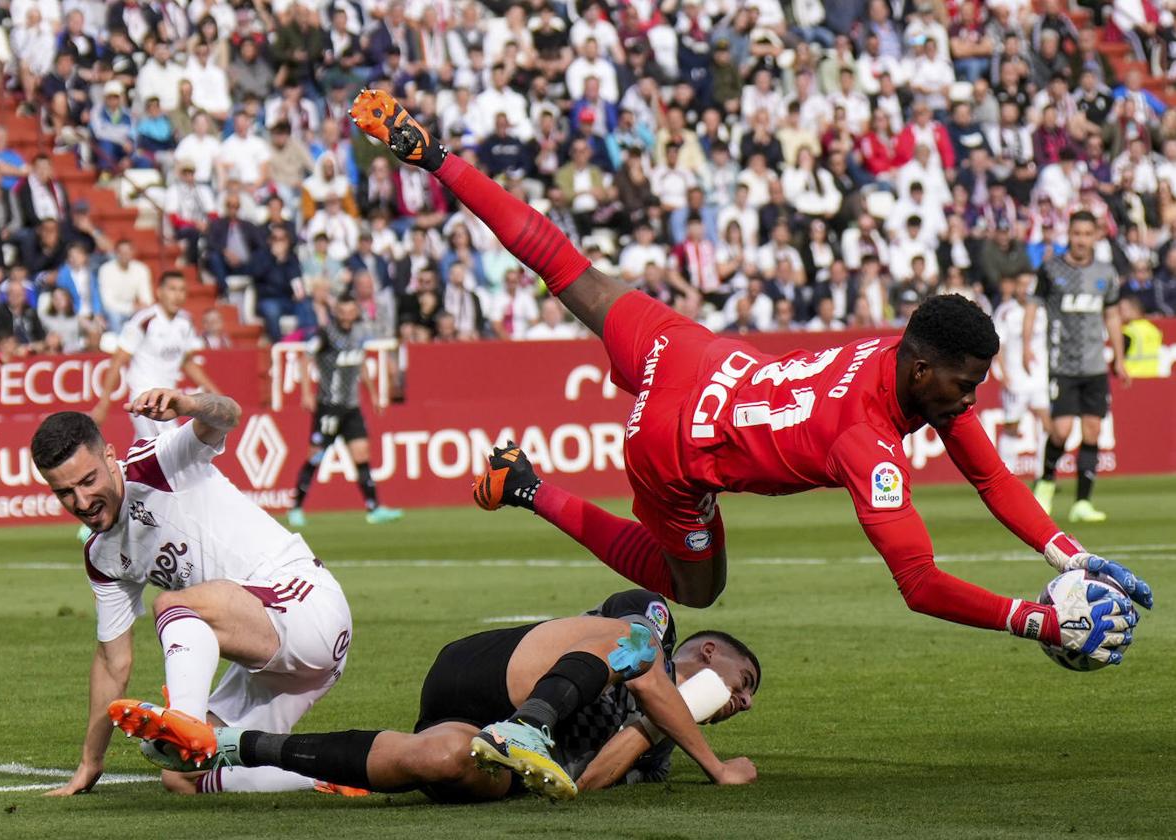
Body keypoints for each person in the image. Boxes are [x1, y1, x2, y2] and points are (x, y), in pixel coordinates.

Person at [353, 90, 1151, 664]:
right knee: (694, 589)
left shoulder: (902, 362)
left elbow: (988, 471)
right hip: (674, 441)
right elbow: (918, 582)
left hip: (690, 352)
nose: (973, 396)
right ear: (922, 369)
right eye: (966, 382)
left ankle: (437, 155)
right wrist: (1037, 622)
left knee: (567, 266)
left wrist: (1070, 559)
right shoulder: (864, 443)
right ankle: (526, 485)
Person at [108, 589, 757, 802]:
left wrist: (657, 727)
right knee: (634, 646)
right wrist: (720, 767)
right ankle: (530, 724)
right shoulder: (660, 628)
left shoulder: (659, 747)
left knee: (439, 762)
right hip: (498, 673)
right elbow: (633, 638)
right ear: (708, 654)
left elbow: (584, 787)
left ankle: (223, 747)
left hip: (479, 739)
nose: (744, 700)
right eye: (743, 682)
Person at [30, 397, 354, 796]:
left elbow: (229, 415)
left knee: (171, 604)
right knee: (183, 775)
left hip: (308, 607)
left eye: (88, 481)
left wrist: (187, 403)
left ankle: (184, 721)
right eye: (65, 492)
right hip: (278, 668)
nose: (81, 502)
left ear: (111, 457)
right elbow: (113, 663)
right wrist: (90, 761)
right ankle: (338, 775)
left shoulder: (156, 464)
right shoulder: (102, 555)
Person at [1024, 211, 1129, 523]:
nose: (1081, 239)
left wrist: (1119, 358)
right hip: (1062, 363)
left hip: (1095, 364)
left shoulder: (1105, 273)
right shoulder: (1051, 269)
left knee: (1093, 429)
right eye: (1076, 233)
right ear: (1068, 235)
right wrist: (1028, 343)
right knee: (1061, 430)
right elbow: (1033, 305)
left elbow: (1111, 316)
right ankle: (1044, 483)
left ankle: (1082, 502)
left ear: (1095, 236)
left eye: (1087, 233)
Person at [288, 293, 402, 528]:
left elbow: (359, 364)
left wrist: (372, 394)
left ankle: (374, 508)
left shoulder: (360, 333)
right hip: (329, 407)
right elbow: (305, 358)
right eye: (343, 312)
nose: (347, 316)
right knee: (316, 456)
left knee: (362, 454)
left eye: (351, 311)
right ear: (336, 312)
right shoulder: (325, 334)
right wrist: (307, 393)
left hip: (352, 407)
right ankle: (296, 508)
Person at [92, 271, 219, 439]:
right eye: (172, 289)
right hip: (145, 396)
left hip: (169, 398)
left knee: (146, 456)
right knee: (165, 449)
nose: (177, 295)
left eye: (182, 290)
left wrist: (214, 391)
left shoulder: (185, 322)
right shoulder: (145, 320)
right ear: (159, 292)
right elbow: (118, 361)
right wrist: (104, 403)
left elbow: (187, 362)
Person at [992, 273, 1051, 473]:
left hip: (1040, 376)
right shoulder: (1006, 311)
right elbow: (999, 345)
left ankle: (1044, 473)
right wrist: (1004, 374)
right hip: (1016, 377)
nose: (1025, 289)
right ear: (1015, 287)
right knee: (1012, 426)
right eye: (1021, 284)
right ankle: (1005, 472)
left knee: (1046, 423)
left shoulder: (1043, 309)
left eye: (1029, 284)